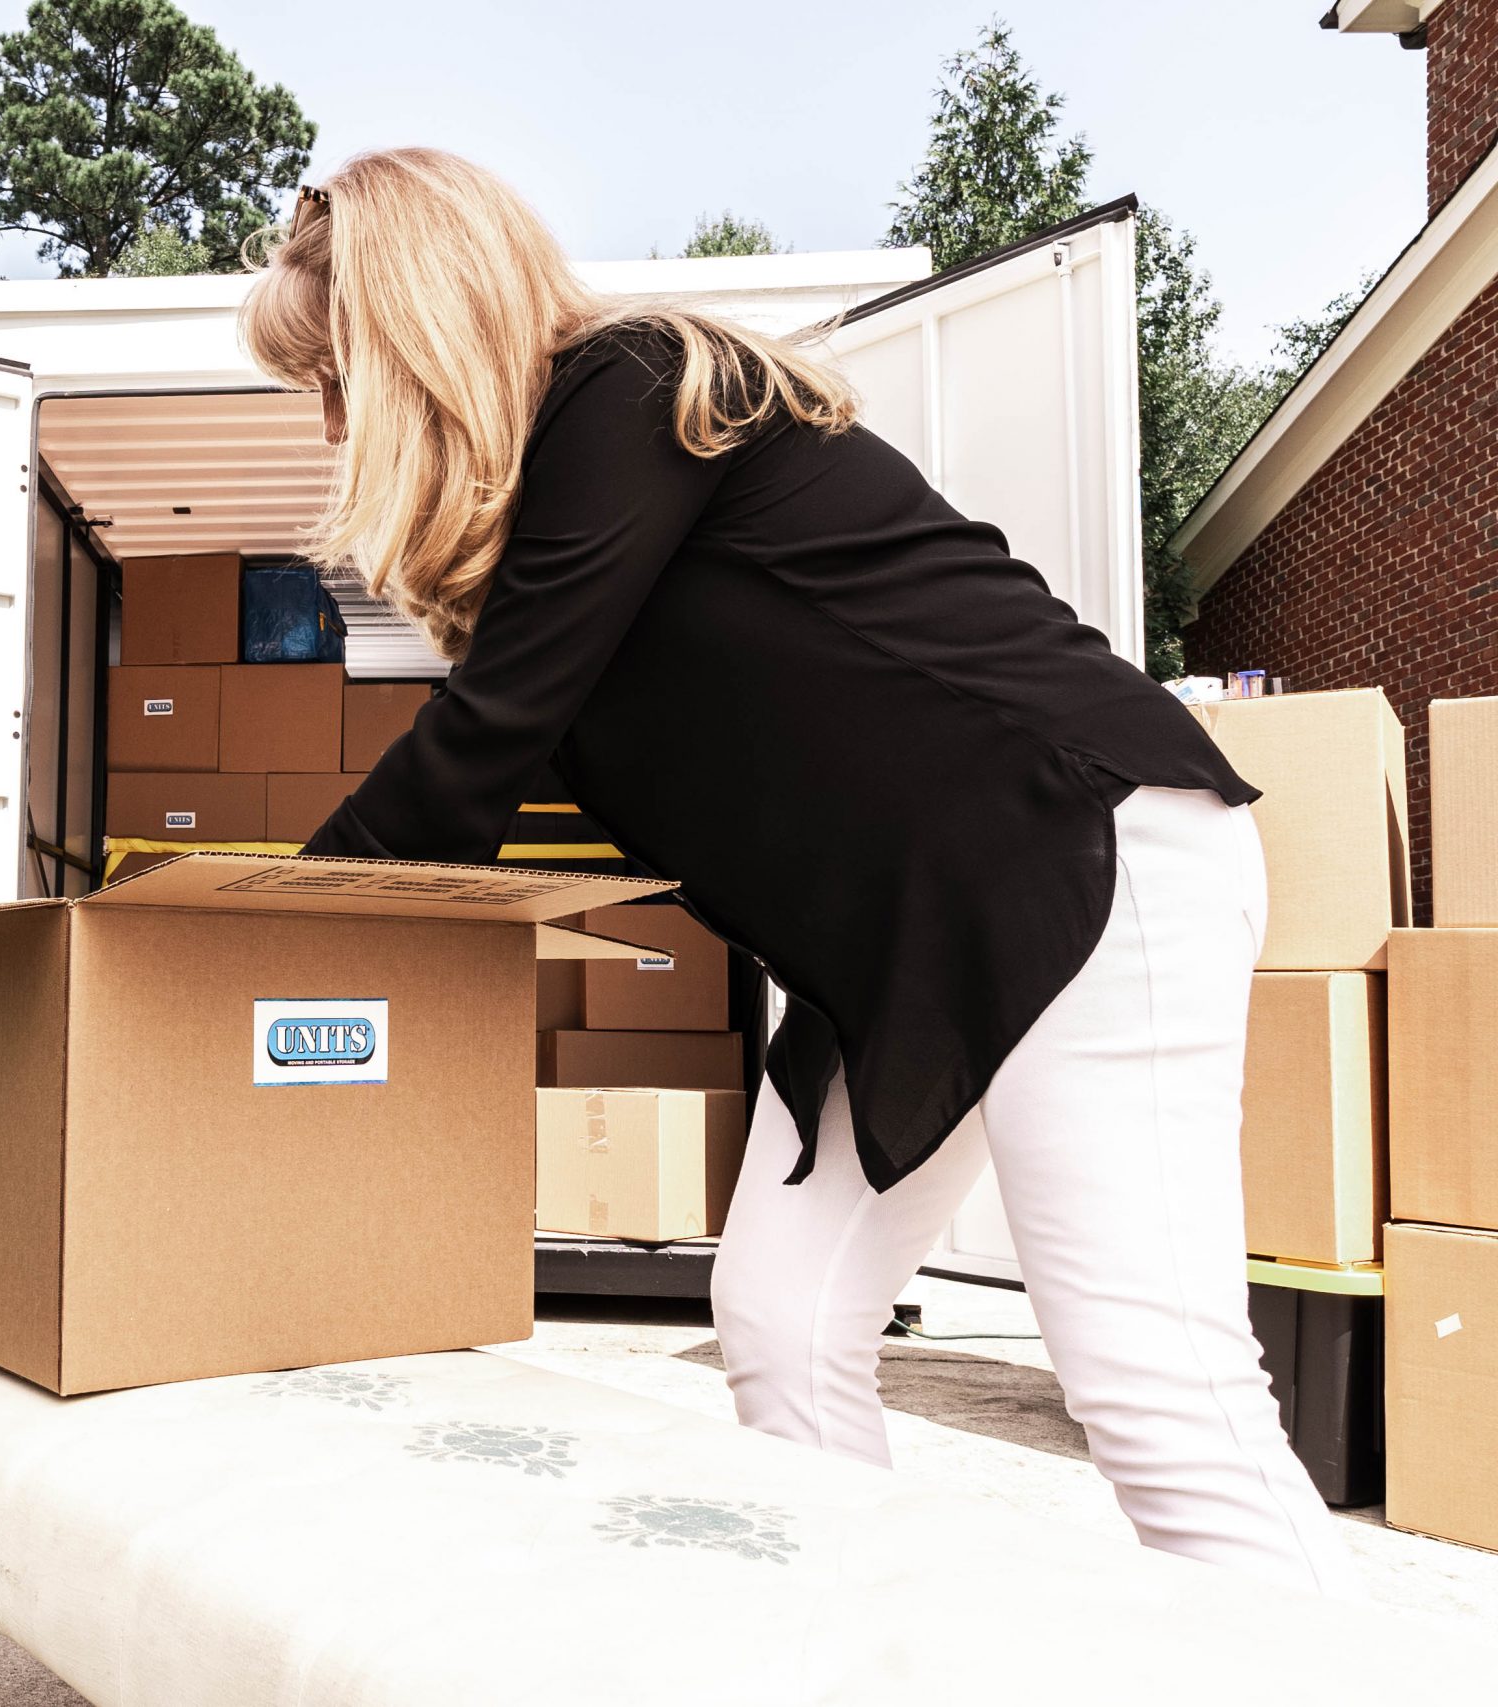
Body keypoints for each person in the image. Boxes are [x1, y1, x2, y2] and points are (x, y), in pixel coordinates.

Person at [241, 147, 1356, 1597]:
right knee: (781, 1317)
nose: (330, 424)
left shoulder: (633, 390)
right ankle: (863, 1661)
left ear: (417, 335)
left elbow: (479, 756)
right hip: (893, 944)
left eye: (334, 372)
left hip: (1074, 846)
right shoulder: (563, 529)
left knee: (1157, 1392)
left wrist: (226, 949)